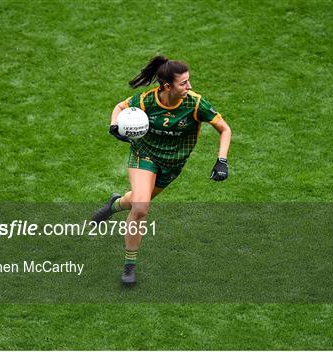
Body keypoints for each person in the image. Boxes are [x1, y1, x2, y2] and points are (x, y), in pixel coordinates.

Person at [92, 55, 232, 286]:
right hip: (144, 155)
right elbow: (120, 107)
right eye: (184, 83)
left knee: (136, 201)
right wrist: (114, 126)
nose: (189, 86)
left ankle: (114, 204)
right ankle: (129, 267)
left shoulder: (195, 104)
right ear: (168, 86)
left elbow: (224, 129)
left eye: (188, 81)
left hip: (172, 165)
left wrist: (222, 160)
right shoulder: (147, 101)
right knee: (141, 207)